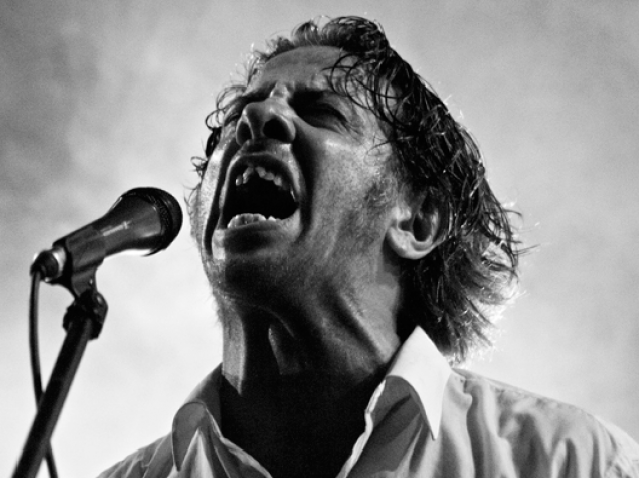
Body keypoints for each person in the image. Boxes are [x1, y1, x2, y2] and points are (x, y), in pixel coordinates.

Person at [98, 15, 639, 478]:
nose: (257, 119)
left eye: (321, 111)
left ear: (418, 223)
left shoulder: (569, 461)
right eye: (238, 114)